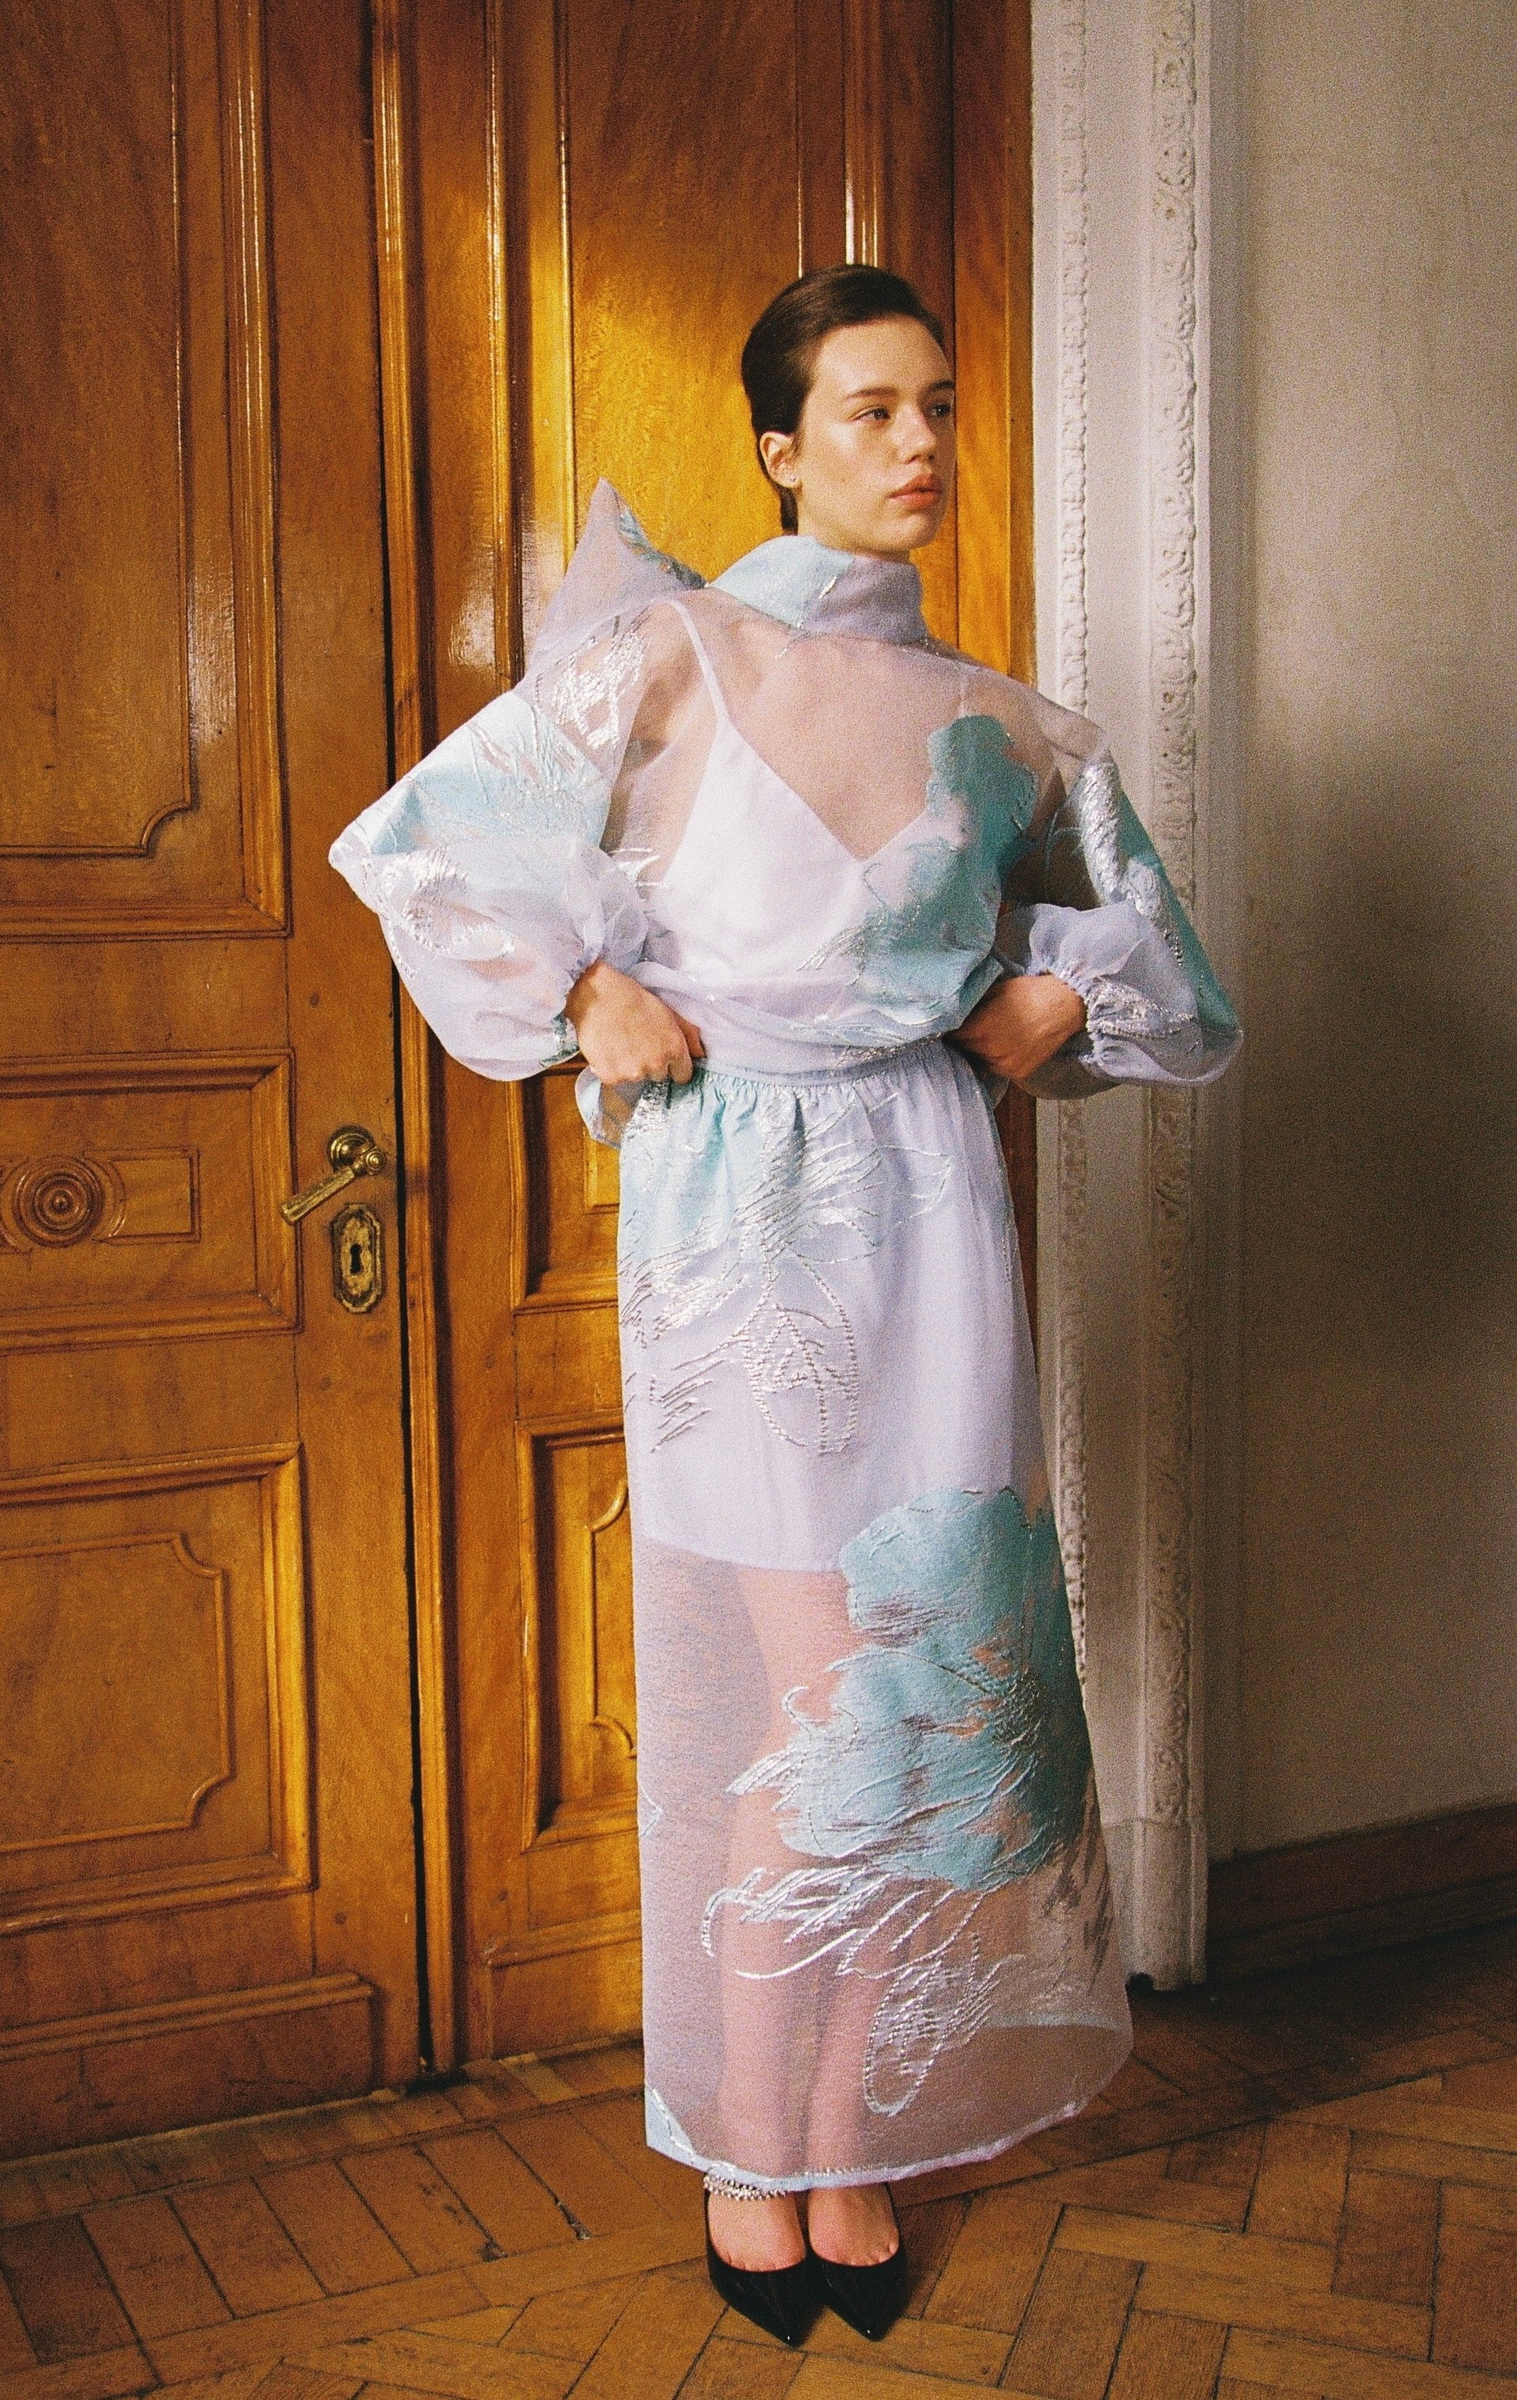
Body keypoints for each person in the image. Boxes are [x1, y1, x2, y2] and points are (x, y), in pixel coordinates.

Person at [331, 263, 1240, 2348]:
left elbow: (1168, 973)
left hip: (933, 1213)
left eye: (938, 407)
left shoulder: (1009, 729)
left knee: (919, 1691)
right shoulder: (663, 660)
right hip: (742, 1225)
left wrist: (1055, 994)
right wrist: (586, 983)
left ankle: (845, 2140)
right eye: (868, 410)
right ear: (780, 446)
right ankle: (747, 2146)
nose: (918, 445)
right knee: (822, 1700)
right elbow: (421, 849)